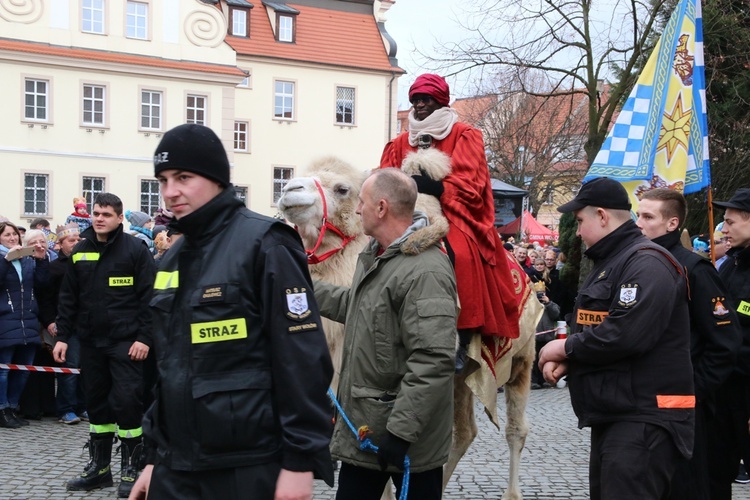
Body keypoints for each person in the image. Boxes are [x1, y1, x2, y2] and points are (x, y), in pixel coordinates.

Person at [128, 123, 334, 500]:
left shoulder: (266, 245)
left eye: (184, 177)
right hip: (177, 468)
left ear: (216, 179)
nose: (170, 191)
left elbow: (301, 359)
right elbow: (167, 370)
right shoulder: (171, 260)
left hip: (247, 466)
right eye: (163, 180)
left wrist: (300, 461)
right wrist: (155, 457)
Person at [538, 177, 694, 500]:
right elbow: (598, 327)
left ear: (603, 216)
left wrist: (566, 347)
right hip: (619, 415)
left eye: (580, 222)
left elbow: (626, 334)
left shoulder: (646, 262)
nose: (577, 232)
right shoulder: (614, 261)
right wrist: (572, 361)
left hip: (644, 420)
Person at [314, 168, 457, 500]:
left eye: (361, 202)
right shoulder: (378, 256)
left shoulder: (426, 271)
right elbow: (356, 305)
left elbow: (433, 360)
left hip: (405, 442)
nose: (357, 209)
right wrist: (303, 288)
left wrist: (401, 434)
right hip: (370, 430)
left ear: (381, 207)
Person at [380, 73, 528, 372]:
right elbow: (385, 176)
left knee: (458, 253)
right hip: (405, 214)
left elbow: (469, 182)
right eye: (415, 100)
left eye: (426, 100)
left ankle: (462, 334)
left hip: (453, 212)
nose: (419, 106)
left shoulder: (463, 134)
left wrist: (434, 187)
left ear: (440, 102)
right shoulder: (398, 142)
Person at [636, 188, 741, 500]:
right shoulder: (637, 262)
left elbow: (725, 341)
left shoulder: (693, 269)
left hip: (683, 407)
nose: (638, 223)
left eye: (647, 216)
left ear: (671, 224)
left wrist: (693, 388)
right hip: (644, 404)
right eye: (637, 214)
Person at [53, 193, 156, 497]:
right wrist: (62, 337)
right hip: (91, 342)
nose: (99, 218)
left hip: (127, 343)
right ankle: (99, 470)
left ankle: (131, 470)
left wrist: (144, 338)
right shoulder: (81, 250)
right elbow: (68, 298)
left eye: (106, 214)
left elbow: (151, 298)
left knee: (127, 403)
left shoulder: (135, 250)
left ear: (119, 218)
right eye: (96, 213)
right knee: (97, 405)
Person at [708, 188, 750, 498]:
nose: (723, 229)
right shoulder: (731, 265)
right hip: (723, 389)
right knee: (716, 472)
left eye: (729, 222)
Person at [0, 221, 48, 428]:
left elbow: (42, 284)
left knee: (24, 368)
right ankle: (1, 408)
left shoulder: (27, 260)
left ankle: (11, 407)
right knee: (3, 370)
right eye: (7, 235)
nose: (12, 238)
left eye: (14, 235)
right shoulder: (3, 259)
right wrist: (7, 259)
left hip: (27, 320)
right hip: (5, 320)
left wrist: (41, 260)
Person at [38, 223, 87, 425]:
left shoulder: (86, 262)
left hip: (88, 324)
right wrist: (50, 321)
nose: (75, 243)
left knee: (86, 369)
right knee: (69, 368)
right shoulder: (55, 268)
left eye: (78, 240)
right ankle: (65, 409)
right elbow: (46, 299)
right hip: (67, 325)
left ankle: (83, 406)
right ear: (60, 244)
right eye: (71, 240)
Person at [527, 259, 560, 390]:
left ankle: (545, 379)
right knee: (534, 360)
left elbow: (556, 313)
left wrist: (548, 302)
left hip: (547, 335)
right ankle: (534, 380)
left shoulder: (549, 303)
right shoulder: (531, 303)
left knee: (545, 358)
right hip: (535, 334)